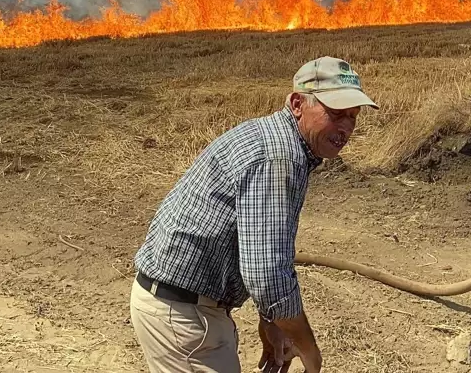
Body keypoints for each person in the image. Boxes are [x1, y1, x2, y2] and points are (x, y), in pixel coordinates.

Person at [128, 56, 377, 373]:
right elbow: (266, 273)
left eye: (353, 117)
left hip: (184, 308)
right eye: (335, 113)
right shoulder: (278, 157)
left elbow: (263, 245)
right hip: (183, 316)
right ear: (298, 104)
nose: (345, 127)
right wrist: (309, 350)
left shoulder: (276, 140)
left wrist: (273, 322)